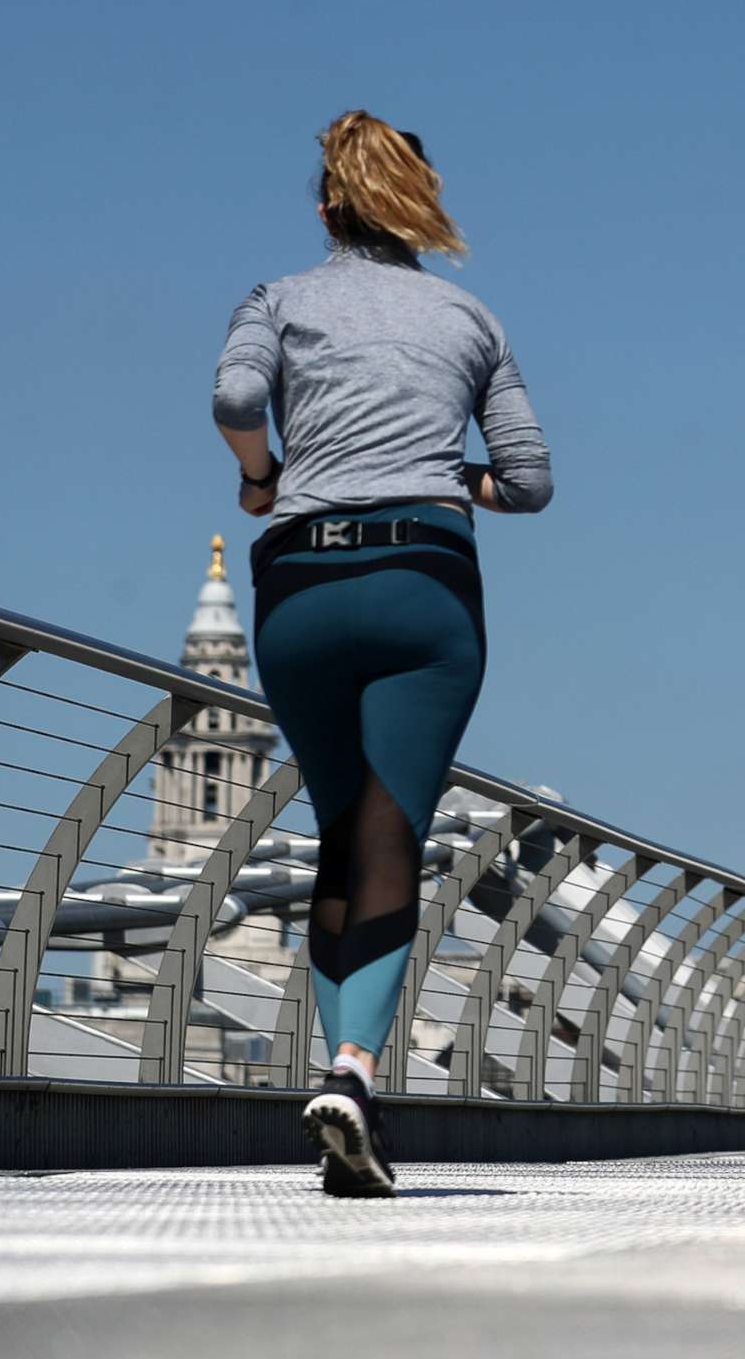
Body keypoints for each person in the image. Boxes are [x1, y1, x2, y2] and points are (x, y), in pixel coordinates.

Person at [215, 111, 553, 1197]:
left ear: (325, 207)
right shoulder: (470, 317)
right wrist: (449, 475)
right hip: (423, 585)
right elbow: (532, 480)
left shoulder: (278, 298)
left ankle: (335, 1075)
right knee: (391, 826)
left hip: (300, 584)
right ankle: (354, 1069)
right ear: (422, 202)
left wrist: (263, 476)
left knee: (333, 825)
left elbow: (232, 399)